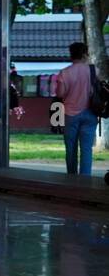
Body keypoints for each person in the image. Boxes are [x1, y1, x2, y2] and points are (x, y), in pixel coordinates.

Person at [55, 41, 99, 176]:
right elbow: (96, 91)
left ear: (71, 55)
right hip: (90, 113)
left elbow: (60, 94)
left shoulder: (64, 73)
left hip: (70, 114)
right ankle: (85, 179)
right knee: (86, 149)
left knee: (71, 148)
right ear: (85, 54)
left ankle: (72, 177)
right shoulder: (93, 70)